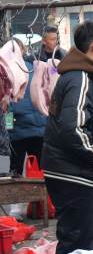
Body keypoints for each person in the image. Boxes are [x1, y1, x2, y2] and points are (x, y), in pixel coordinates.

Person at [41, 20, 93, 254]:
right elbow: (73, 128)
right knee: (77, 243)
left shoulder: (86, 76)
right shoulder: (80, 78)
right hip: (72, 173)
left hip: (79, 173)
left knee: (90, 239)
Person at [9, 43, 46, 175]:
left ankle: (14, 193)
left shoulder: (5, 71)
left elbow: (8, 109)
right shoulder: (33, 68)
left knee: (14, 169)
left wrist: (8, 127)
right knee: (38, 168)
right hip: (38, 129)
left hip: (17, 131)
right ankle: (37, 192)